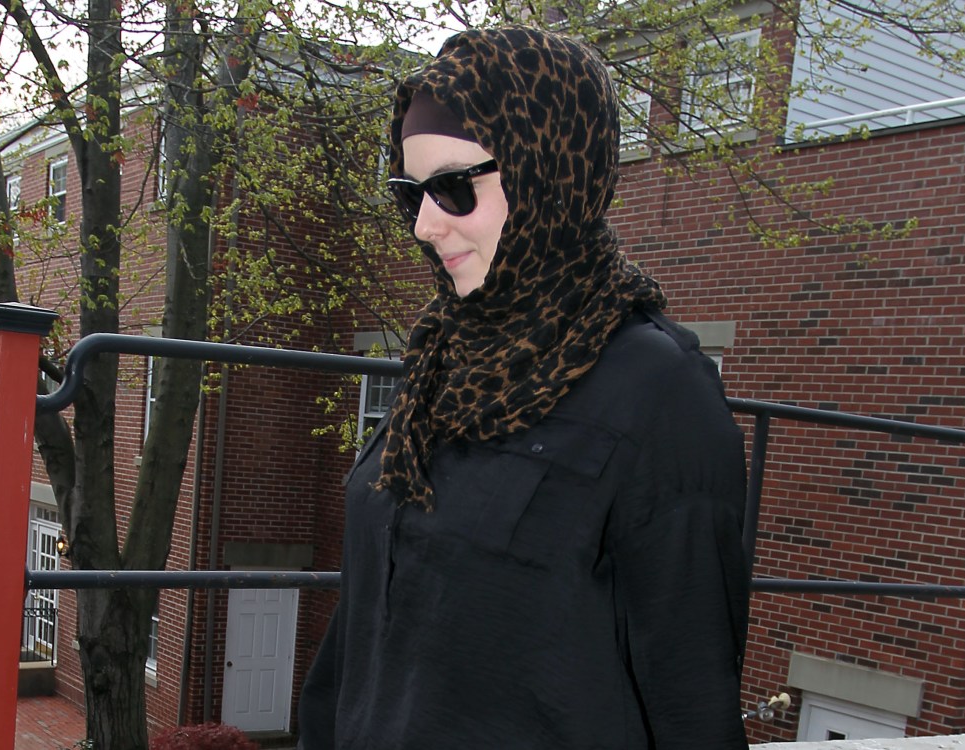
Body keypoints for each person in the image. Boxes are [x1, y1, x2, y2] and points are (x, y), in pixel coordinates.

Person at [298, 25, 749, 749]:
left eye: (453, 187)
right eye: (410, 192)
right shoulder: (440, 358)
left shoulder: (658, 390)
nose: (424, 225)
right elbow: (359, 642)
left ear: (550, 173)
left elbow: (692, 700)